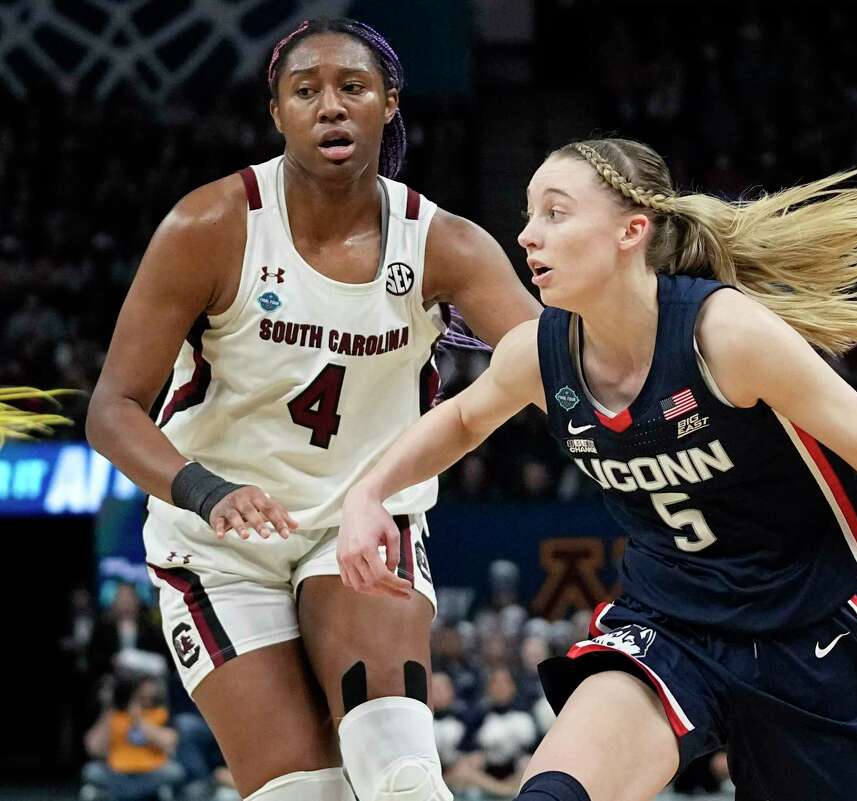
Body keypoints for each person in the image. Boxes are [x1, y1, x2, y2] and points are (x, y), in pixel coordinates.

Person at [340, 138, 857, 801]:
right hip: (669, 628)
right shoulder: (541, 353)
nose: (528, 234)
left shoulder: (726, 335)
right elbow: (464, 419)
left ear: (633, 231)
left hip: (807, 641)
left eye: (556, 212)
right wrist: (370, 492)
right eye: (529, 213)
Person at [85, 17, 540, 801]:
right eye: (307, 91)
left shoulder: (444, 244)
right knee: (307, 794)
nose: (330, 106)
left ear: (390, 103)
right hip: (219, 541)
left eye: (353, 88)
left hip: (361, 520)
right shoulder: (212, 224)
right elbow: (112, 409)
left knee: (400, 775)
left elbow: (549, 362)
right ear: (278, 112)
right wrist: (207, 489)